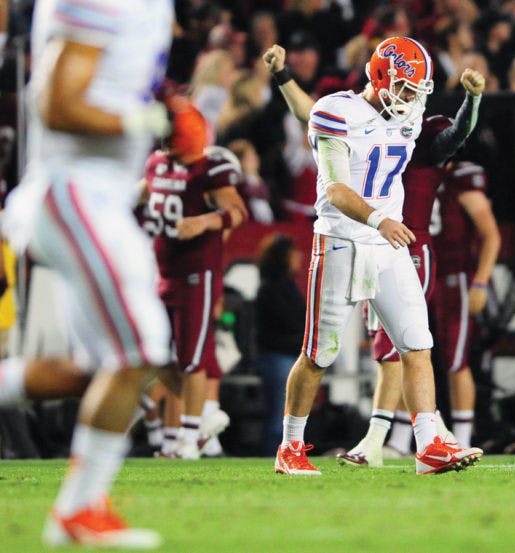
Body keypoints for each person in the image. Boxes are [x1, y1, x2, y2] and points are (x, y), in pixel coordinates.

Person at [0, 0, 174, 547]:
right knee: (142, 348)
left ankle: (79, 510)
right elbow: (55, 103)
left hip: (105, 195)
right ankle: (77, 512)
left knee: (96, 370)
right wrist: (152, 121)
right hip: (73, 189)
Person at [266, 36, 483, 476]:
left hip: (388, 244)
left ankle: (429, 445)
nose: (409, 99)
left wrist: (472, 101)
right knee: (318, 353)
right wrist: (379, 220)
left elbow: (450, 140)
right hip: (342, 241)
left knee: (417, 343)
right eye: (404, 88)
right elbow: (335, 189)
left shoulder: (411, 114)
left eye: (416, 91)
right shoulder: (336, 112)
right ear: (381, 76)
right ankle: (290, 446)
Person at [143, 101, 248, 460]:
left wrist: (203, 222)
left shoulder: (210, 168)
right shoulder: (157, 163)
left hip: (196, 274)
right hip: (162, 273)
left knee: (192, 361)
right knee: (156, 356)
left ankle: (189, 438)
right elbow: (143, 194)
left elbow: (237, 212)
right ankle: (202, 415)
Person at [431, 160, 501, 449]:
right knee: (407, 356)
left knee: (455, 360)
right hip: (420, 271)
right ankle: (400, 438)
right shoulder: (413, 168)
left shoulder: (459, 177)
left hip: (454, 276)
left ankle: (461, 439)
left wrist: (481, 281)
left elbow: (490, 234)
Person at [255, 234, 306, 456]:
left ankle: (287, 455)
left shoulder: (285, 285)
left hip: (287, 357)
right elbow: (292, 321)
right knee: (280, 416)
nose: (299, 256)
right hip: (278, 358)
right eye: (293, 252)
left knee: (284, 414)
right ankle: (275, 458)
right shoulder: (272, 288)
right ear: (283, 256)